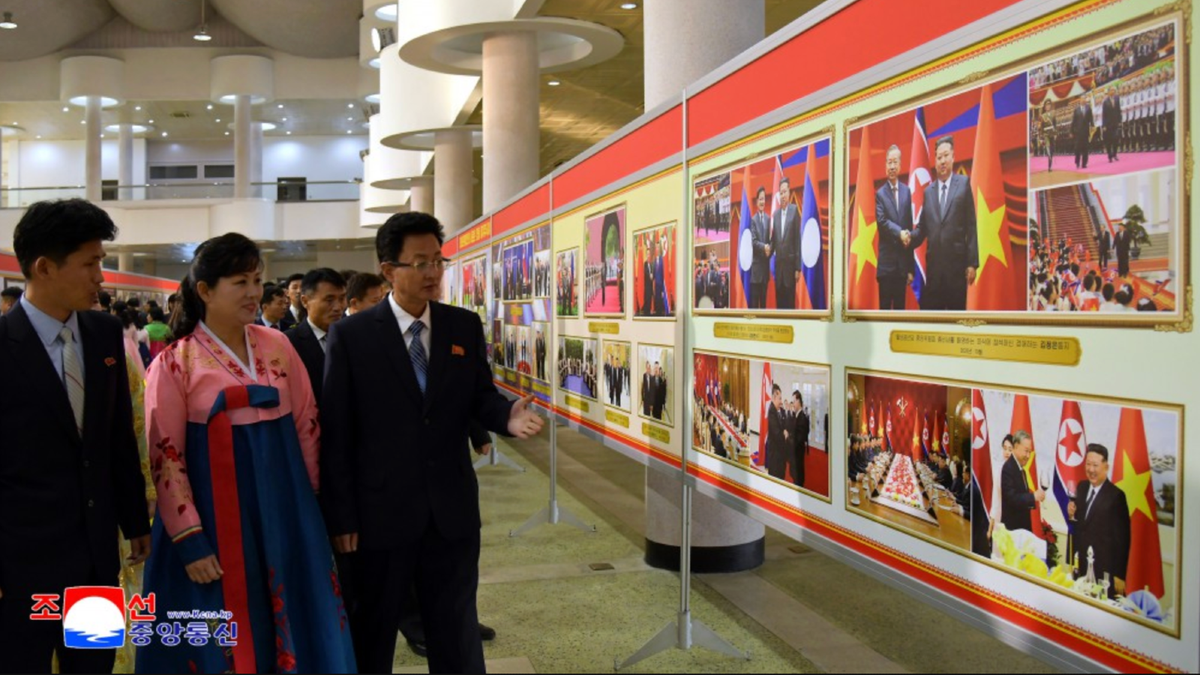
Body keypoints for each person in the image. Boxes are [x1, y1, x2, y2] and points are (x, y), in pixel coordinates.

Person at [320, 211, 545, 675]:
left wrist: (505, 416)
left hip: (450, 508)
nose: (433, 272)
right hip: (380, 514)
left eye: (438, 261)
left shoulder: (462, 325)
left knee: (456, 627)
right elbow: (337, 433)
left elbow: (479, 395)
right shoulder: (352, 336)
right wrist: (341, 517)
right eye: (420, 262)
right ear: (388, 270)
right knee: (374, 629)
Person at [136, 233, 355, 674]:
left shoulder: (278, 346)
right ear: (204, 290)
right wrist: (189, 539)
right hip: (213, 516)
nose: (254, 292)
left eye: (257, 279)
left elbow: (307, 427)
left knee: (301, 615)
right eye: (240, 282)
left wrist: (317, 509)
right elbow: (167, 458)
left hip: (287, 507)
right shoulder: (175, 363)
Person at [0, 199, 151, 674]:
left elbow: (118, 437)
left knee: (93, 664)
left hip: (96, 554)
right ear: (44, 267)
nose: (100, 278)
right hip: (21, 559)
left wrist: (135, 521)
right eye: (90, 264)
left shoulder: (104, 333)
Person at [910, 135, 978, 311]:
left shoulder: (963, 184)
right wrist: (907, 237)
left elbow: (971, 226)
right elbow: (922, 229)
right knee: (932, 319)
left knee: (955, 318)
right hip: (934, 272)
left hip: (957, 269)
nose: (942, 161)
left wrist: (972, 263)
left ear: (953, 157)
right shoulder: (928, 192)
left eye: (946, 156)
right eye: (939, 157)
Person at [1067, 444, 1130, 598]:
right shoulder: (1082, 487)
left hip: (1104, 571)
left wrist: (1119, 575)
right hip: (1081, 565)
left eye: (1095, 465)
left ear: (1106, 467)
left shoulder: (1116, 496)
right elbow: (1082, 525)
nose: (1091, 469)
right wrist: (1072, 514)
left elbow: (1123, 539)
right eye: (1088, 464)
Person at [286, 268, 347, 405]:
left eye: (342, 298)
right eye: (329, 300)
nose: (338, 307)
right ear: (305, 301)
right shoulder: (289, 342)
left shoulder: (352, 337)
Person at [875, 145, 914, 309]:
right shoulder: (880, 194)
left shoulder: (906, 192)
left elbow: (909, 229)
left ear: (900, 165)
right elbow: (882, 222)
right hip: (886, 267)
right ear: (885, 165)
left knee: (900, 313)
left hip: (901, 268)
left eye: (895, 162)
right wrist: (899, 233)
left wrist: (910, 269)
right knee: (884, 313)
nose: (892, 166)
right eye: (889, 162)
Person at [999, 430, 1044, 534]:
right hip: (1013, 530)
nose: (1028, 456)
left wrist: (1034, 499)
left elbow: (1021, 495)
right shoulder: (1008, 468)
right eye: (1026, 451)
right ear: (1016, 446)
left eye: (1030, 452)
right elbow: (1011, 498)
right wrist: (1033, 497)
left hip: (1022, 529)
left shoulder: (1020, 468)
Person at [772, 177, 800, 309]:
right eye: (781, 192)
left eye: (785, 192)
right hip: (779, 270)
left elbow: (797, 241)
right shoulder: (776, 215)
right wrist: (766, 249)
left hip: (790, 269)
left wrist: (797, 268)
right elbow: (774, 240)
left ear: (789, 192)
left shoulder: (794, 211)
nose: (783, 195)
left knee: (790, 306)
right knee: (780, 306)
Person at [748, 186, 773, 309]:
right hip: (756, 271)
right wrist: (765, 247)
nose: (762, 202)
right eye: (760, 199)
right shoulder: (753, 220)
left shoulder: (768, 219)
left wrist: (770, 249)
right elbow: (753, 242)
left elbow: (771, 240)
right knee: (754, 306)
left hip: (765, 271)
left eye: (764, 199)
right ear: (757, 201)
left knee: (763, 307)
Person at [765, 383, 788, 480]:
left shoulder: (779, 411)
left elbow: (785, 426)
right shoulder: (771, 412)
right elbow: (778, 435)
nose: (781, 401)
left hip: (781, 457)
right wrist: (784, 434)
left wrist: (784, 431)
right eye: (779, 399)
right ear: (774, 398)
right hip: (775, 459)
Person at [1072, 95, 1094, 169]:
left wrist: (1092, 125)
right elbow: (1074, 121)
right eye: (1082, 99)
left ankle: (1084, 163)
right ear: (1080, 100)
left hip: (1086, 131)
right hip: (1078, 132)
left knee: (1085, 148)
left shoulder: (1088, 108)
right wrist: (1072, 131)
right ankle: (1077, 162)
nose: (1083, 100)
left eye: (1084, 99)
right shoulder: (1076, 110)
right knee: (1077, 148)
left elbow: (1091, 118)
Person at [1102, 89, 1123, 162]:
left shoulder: (1117, 99)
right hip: (1108, 124)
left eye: (1113, 90)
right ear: (1108, 92)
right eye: (1111, 90)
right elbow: (1104, 114)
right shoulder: (1105, 102)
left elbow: (1119, 111)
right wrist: (1104, 125)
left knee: (1116, 139)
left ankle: (1115, 154)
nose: (1113, 92)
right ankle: (1109, 156)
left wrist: (1120, 121)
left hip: (1115, 123)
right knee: (1109, 141)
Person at [1040, 100, 1059, 171]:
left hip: (1052, 134)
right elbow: (1041, 127)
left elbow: (1055, 124)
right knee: (1048, 148)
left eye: (1049, 105)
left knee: (1052, 150)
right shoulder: (1042, 116)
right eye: (1046, 105)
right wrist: (1041, 137)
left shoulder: (1053, 113)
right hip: (1046, 134)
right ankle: (1049, 163)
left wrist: (1055, 134)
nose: (1048, 106)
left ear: (1050, 106)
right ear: (1044, 107)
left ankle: (1050, 165)